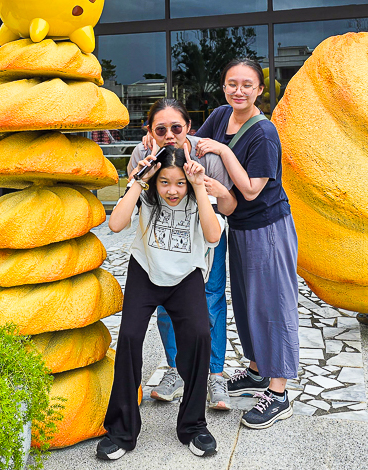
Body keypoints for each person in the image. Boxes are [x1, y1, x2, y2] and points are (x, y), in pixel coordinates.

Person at [99, 146, 224, 461]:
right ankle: (121, 431)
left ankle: (194, 426)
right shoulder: (145, 191)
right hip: (145, 270)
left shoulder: (197, 193)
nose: (172, 190)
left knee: (199, 337)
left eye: (179, 183)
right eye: (165, 182)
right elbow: (115, 225)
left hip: (186, 276)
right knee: (128, 338)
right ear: (156, 183)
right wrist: (139, 181)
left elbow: (212, 236)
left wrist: (196, 185)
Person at [194, 59, 299, 430]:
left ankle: (279, 391)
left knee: (273, 306)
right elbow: (194, 146)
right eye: (231, 84)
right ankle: (257, 371)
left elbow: (252, 189)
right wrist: (158, 140)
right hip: (236, 225)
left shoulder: (265, 133)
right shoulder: (222, 115)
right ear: (224, 87)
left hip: (268, 228)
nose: (238, 91)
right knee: (247, 302)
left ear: (259, 90)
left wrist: (223, 152)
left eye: (247, 85)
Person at [128, 99, 236, 411]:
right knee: (165, 308)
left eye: (177, 127)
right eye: (161, 129)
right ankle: (175, 371)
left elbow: (227, 206)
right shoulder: (141, 154)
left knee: (211, 301)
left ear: (188, 127)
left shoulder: (206, 153)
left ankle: (214, 375)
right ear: (150, 130)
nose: (169, 134)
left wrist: (209, 188)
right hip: (164, 243)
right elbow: (140, 202)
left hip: (205, 236)